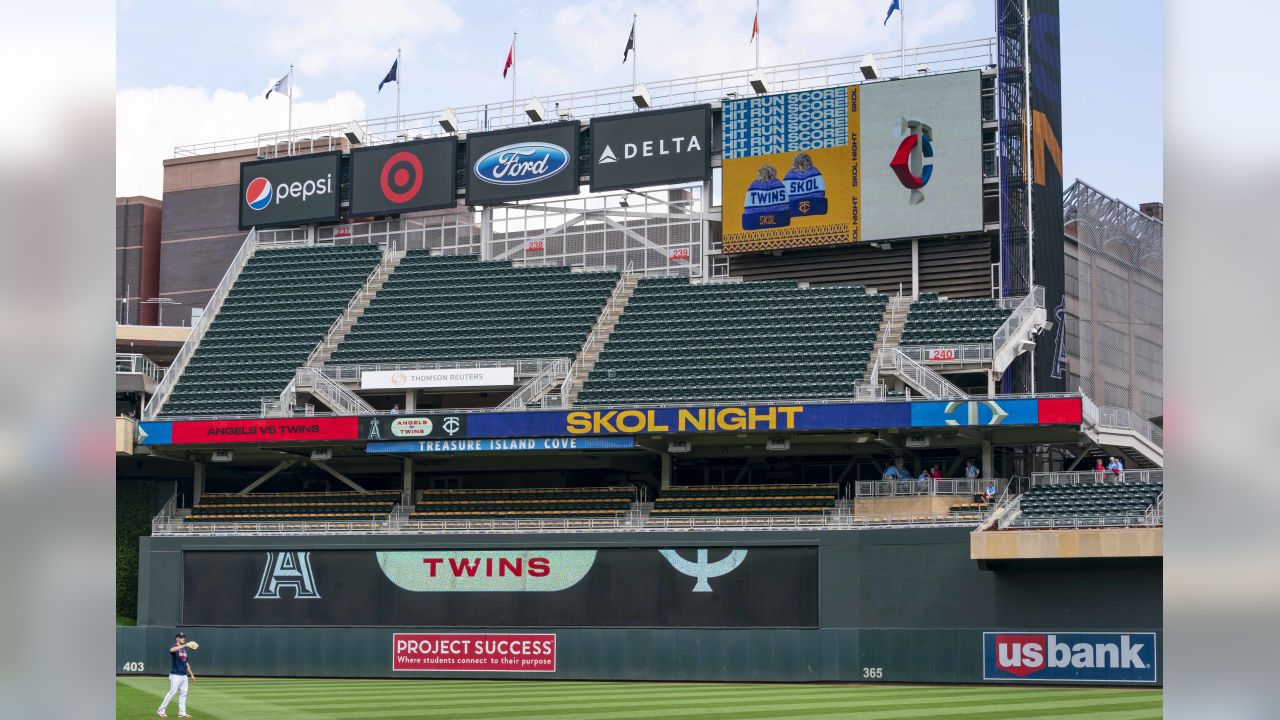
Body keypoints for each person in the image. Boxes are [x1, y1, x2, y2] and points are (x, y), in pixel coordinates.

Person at [158, 632, 195, 718]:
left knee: (183, 694)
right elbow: (171, 650)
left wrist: (191, 674)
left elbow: (186, 663)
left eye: (184, 637)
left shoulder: (184, 650)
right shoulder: (174, 646)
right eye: (181, 637)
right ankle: (161, 710)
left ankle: (182, 713)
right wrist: (185, 645)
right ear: (177, 638)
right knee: (172, 692)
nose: (183, 639)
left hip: (184, 675)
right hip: (176, 674)